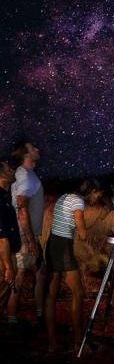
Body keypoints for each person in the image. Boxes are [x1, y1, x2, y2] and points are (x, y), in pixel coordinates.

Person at [45, 179, 103, 353]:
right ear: (92, 191)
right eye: (98, 194)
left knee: (51, 295)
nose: (98, 198)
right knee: (78, 293)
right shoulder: (78, 201)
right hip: (63, 248)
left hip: (52, 245)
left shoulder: (64, 196)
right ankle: (79, 343)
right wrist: (100, 218)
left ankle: (52, 344)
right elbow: (83, 234)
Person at [8, 140, 45, 327]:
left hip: (25, 234)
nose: (37, 149)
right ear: (26, 154)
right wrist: (30, 240)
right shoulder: (26, 176)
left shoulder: (25, 174)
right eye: (33, 148)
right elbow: (21, 207)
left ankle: (40, 314)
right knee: (20, 276)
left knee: (40, 273)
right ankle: (11, 320)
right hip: (24, 235)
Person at [0, 158, 21, 315]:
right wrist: (8, 267)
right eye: (9, 170)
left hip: (8, 253)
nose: (13, 171)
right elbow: (2, 237)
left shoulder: (5, 196)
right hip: (2, 256)